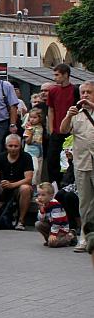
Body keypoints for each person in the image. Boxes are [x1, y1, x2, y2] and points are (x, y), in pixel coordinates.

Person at [60, 80, 94, 252]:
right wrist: (68, 115)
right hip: (82, 163)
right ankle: (84, 237)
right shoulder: (76, 113)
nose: (85, 96)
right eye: (83, 93)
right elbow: (63, 130)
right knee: (84, 203)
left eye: (89, 92)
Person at [0, 134, 34, 230]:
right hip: (4, 186)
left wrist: (12, 185)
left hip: (19, 188)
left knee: (25, 188)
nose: (13, 148)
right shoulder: (1, 156)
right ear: (6, 146)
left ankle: (21, 221)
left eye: (16, 146)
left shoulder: (26, 157)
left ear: (20, 146)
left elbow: (28, 179)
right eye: (10, 146)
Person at [47, 64, 79, 185]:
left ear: (65, 75)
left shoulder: (75, 90)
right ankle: (54, 187)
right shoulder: (53, 90)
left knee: (69, 160)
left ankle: (69, 184)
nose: (55, 78)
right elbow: (51, 110)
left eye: (57, 75)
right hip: (56, 131)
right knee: (52, 160)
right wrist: (51, 128)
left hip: (71, 131)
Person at [35, 182, 76, 247]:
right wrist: (41, 209)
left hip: (61, 228)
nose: (39, 197)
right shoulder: (44, 204)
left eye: (43, 195)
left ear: (51, 196)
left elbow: (57, 222)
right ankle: (50, 239)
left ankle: (70, 237)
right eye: (38, 195)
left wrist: (53, 234)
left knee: (52, 244)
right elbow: (41, 219)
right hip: (51, 225)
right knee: (38, 224)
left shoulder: (55, 205)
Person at [24, 108, 45, 186]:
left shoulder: (40, 126)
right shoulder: (28, 128)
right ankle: (32, 185)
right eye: (31, 117)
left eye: (34, 117)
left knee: (39, 170)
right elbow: (27, 141)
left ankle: (37, 186)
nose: (32, 119)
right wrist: (31, 133)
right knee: (34, 169)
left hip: (39, 151)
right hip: (30, 151)